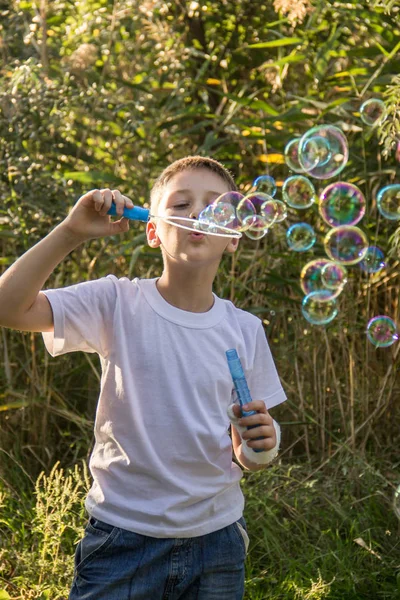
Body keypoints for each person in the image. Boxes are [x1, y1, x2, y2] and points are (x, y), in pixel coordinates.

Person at [0, 156, 286, 599]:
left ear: (232, 236)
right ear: (152, 229)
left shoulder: (244, 329)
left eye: (214, 207)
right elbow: (8, 307)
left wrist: (262, 446)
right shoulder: (116, 302)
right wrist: (70, 232)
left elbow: (245, 452)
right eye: (182, 203)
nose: (197, 214)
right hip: (122, 538)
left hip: (218, 540)